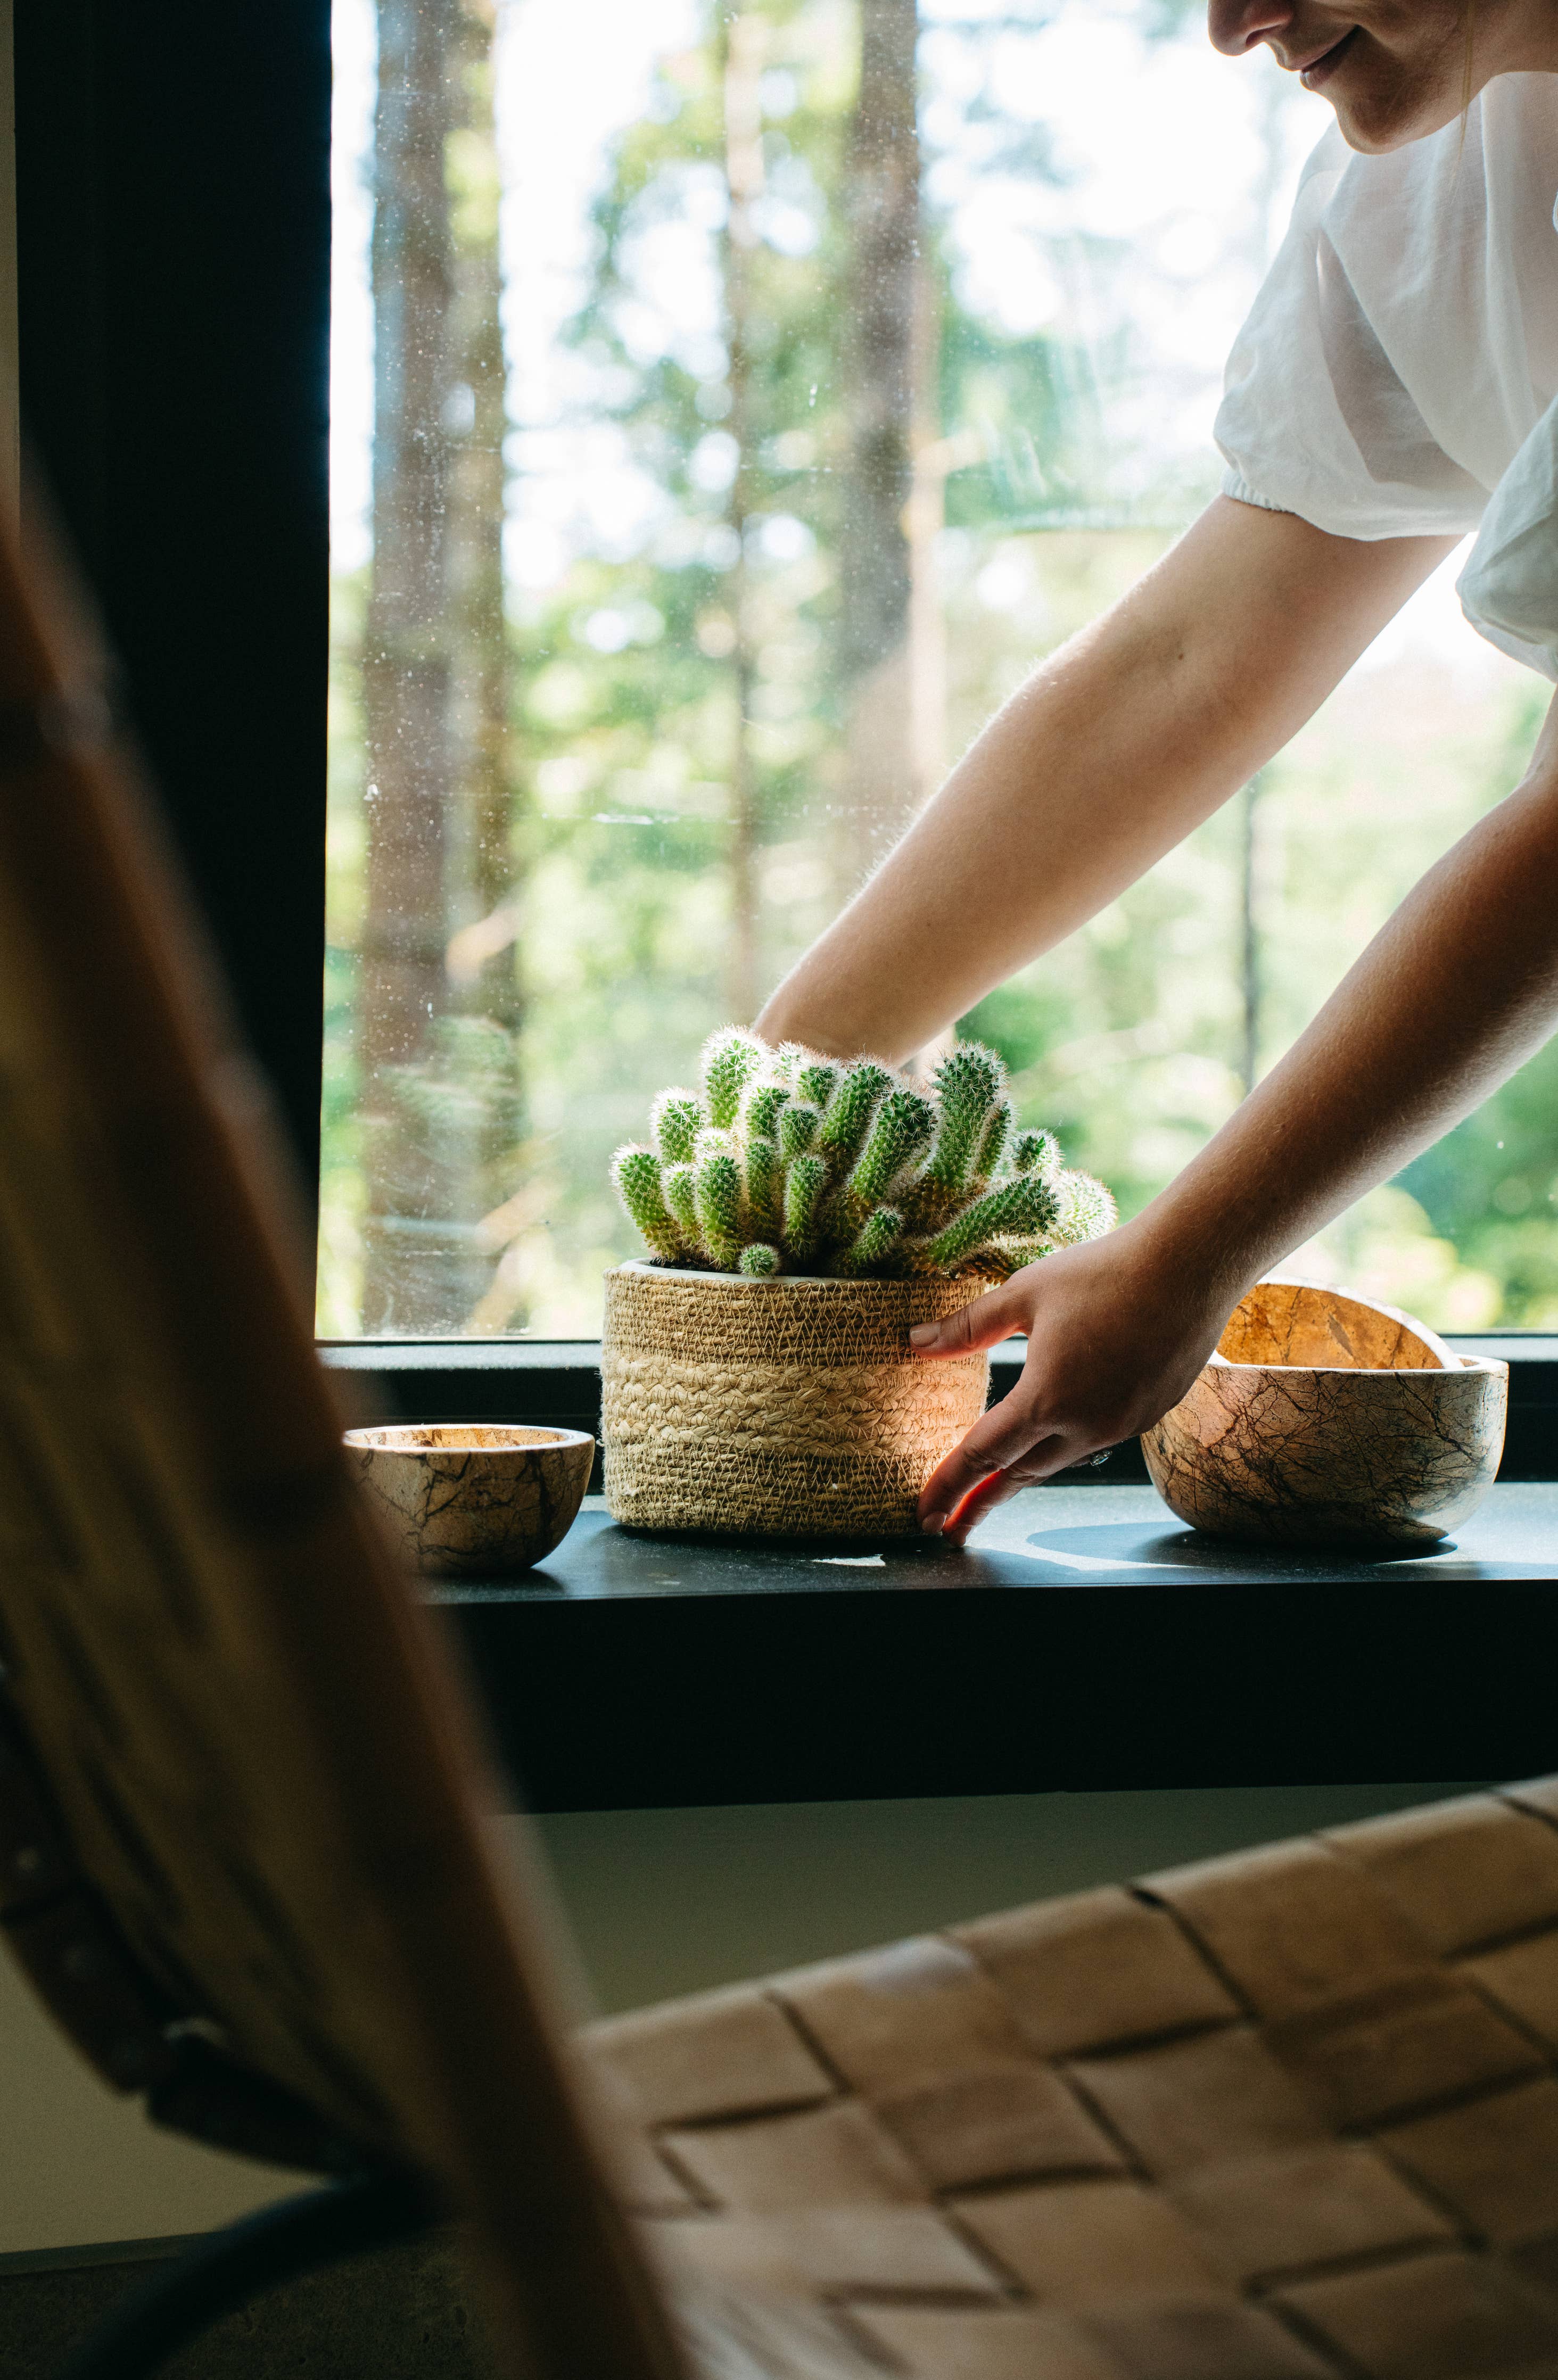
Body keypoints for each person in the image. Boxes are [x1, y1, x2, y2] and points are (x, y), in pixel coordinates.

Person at [754, 1, 1558, 1543]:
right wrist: (810, 1058)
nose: (1229, 24)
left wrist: (1190, 1253)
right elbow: (1185, 667)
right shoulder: (1415, 182)